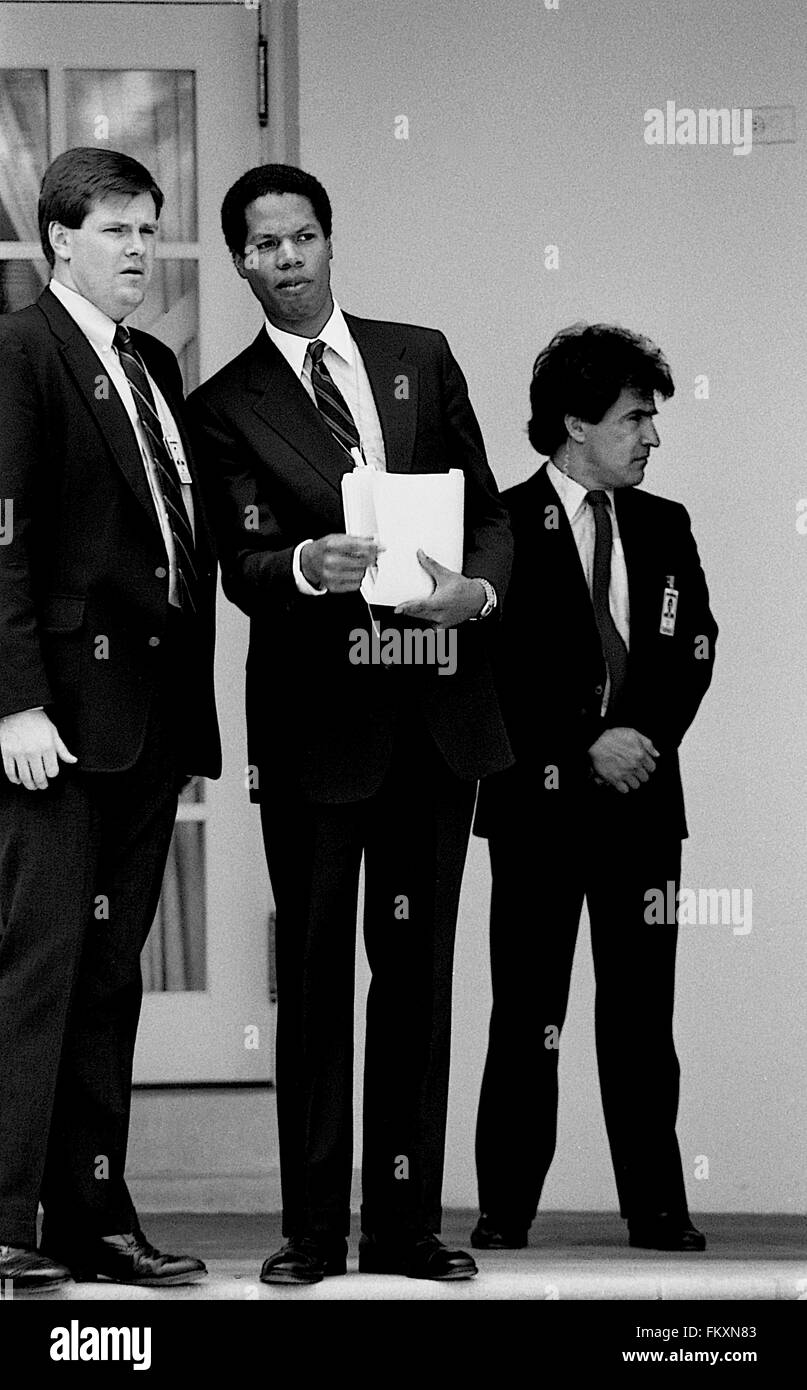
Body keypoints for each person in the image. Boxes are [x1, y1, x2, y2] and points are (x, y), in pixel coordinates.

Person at [187, 163, 512, 1284]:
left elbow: (490, 506)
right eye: (264, 244)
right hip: (320, 726)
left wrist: (479, 590)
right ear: (239, 261)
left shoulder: (420, 352)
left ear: (331, 241)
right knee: (319, 982)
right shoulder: (220, 405)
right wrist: (307, 567)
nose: (287, 258)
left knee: (418, 981)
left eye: (303, 237)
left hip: (437, 712)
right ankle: (315, 1234)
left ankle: (413, 1230)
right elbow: (238, 564)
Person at [0, 147, 221, 1289]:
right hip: (52, 728)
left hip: (143, 724)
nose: (139, 246)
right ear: (59, 242)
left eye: (149, 226)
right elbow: (2, 541)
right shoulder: (20, 352)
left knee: (106, 978)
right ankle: (3, 1225)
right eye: (116, 227)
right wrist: (15, 700)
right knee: (35, 975)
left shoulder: (152, 366)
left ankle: (92, 1218)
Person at [471, 324, 718, 1254]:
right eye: (634, 417)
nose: (651, 437)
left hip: (643, 807)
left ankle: (656, 1207)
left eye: (650, 417)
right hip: (538, 808)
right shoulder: (497, 523)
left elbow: (693, 649)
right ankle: (504, 1212)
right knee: (527, 1013)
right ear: (574, 424)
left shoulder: (666, 524)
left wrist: (639, 742)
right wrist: (584, 747)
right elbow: (490, 671)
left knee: (642, 1014)